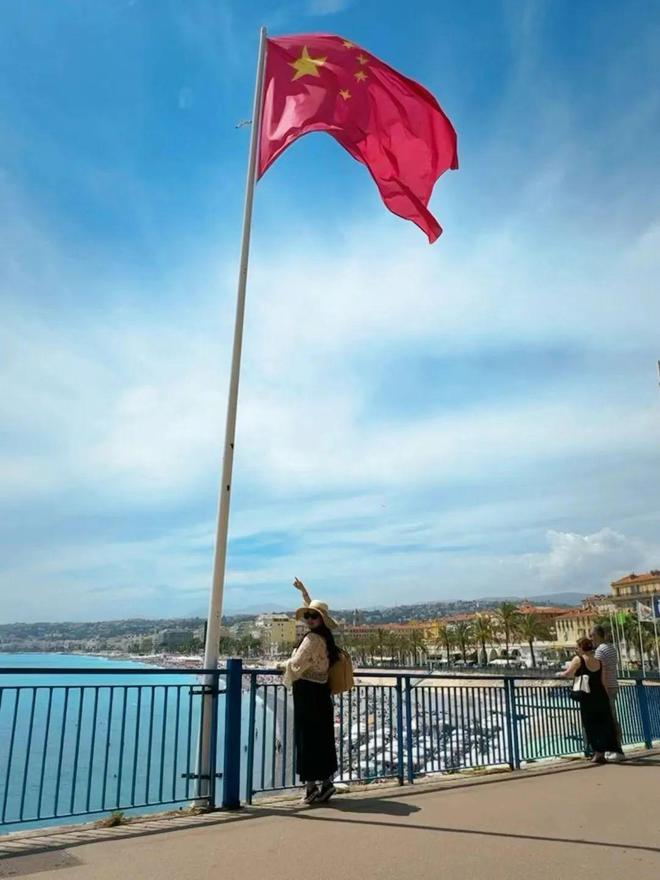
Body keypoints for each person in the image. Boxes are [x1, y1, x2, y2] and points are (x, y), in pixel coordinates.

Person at [283, 577, 339, 804]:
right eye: (307, 616)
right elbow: (314, 607)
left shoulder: (312, 639)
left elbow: (296, 664)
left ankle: (310, 788)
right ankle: (325, 784)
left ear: (321, 620)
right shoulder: (326, 637)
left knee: (306, 738)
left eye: (312, 616)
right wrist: (304, 592)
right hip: (322, 692)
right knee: (322, 738)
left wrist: (281, 665)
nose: (308, 619)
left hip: (307, 693)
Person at [559, 637, 619, 763]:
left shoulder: (578, 659)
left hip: (587, 696)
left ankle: (597, 752)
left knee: (590, 724)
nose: (576, 650)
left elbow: (568, 674)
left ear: (581, 648)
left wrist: (559, 674)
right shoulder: (599, 662)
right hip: (601, 696)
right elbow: (603, 682)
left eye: (577, 647)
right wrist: (607, 697)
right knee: (603, 724)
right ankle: (604, 752)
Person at [590, 624, 625, 761]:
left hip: (606, 687)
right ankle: (615, 747)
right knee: (612, 717)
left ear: (598, 635)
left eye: (592, 635)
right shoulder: (611, 648)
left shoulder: (600, 650)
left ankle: (615, 749)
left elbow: (600, 671)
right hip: (613, 685)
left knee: (608, 719)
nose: (591, 637)